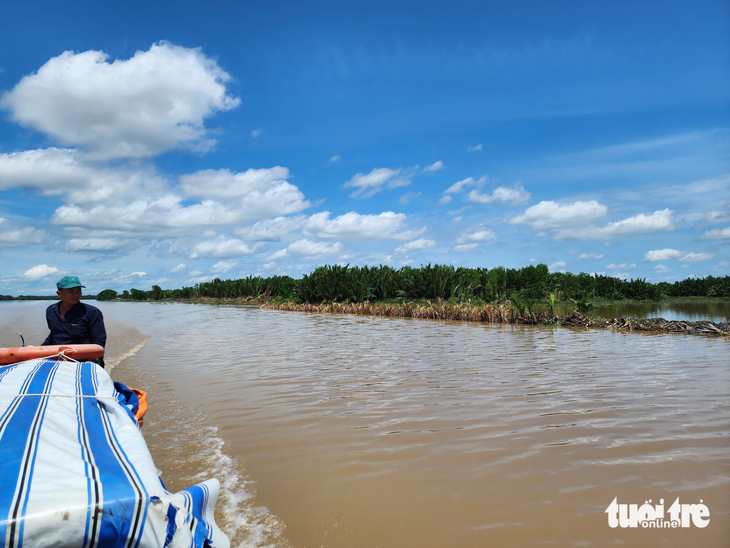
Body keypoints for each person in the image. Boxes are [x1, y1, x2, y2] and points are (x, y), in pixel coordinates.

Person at [42, 275, 106, 367]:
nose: (76, 294)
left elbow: (99, 341)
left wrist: (93, 362)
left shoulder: (92, 312)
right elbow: (54, 334)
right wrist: (38, 350)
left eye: (78, 291)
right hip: (58, 359)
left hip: (83, 360)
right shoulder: (51, 310)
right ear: (59, 293)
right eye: (70, 291)